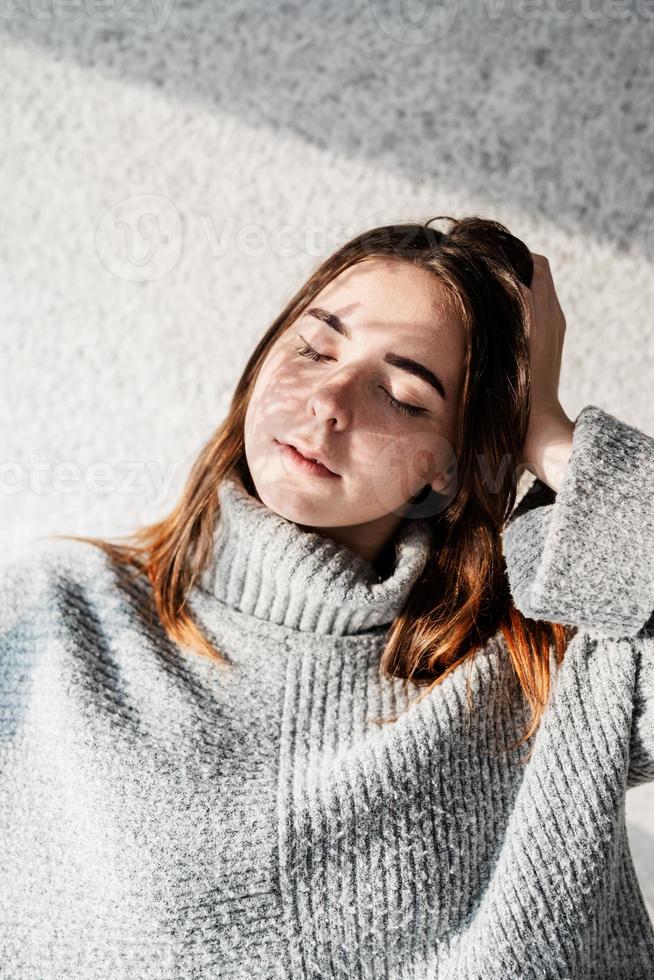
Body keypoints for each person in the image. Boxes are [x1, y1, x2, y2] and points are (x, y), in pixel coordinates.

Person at [1, 215, 653, 979]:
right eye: (314, 347)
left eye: (404, 394)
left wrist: (549, 435)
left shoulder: (547, 663)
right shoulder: (58, 616)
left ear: (450, 463)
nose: (330, 400)